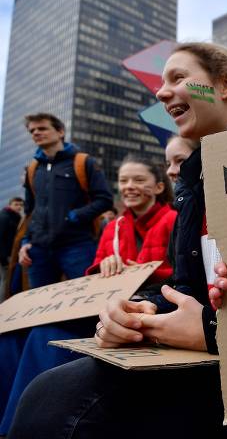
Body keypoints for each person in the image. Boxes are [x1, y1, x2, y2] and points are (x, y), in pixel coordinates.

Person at [7, 43, 227, 439]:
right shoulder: (194, 179)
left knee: (61, 407)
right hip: (207, 358)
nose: (160, 92)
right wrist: (139, 312)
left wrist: (210, 331)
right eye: (161, 81)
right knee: (46, 393)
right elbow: (186, 288)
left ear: (225, 84)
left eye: (178, 78)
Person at [0, 156, 175, 435]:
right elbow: (95, 272)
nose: (129, 186)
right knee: (12, 335)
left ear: (157, 187)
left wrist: (143, 272)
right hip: (104, 308)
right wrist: (103, 267)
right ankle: (7, 423)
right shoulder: (113, 227)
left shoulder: (174, 219)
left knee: (46, 334)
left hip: (146, 311)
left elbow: (185, 273)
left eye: (139, 180)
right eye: (124, 181)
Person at [16, 113, 112, 289]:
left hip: (77, 246)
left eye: (42, 128)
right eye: (32, 130)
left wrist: (74, 216)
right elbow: (30, 211)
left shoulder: (84, 162)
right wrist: (25, 242)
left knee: (87, 300)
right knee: (41, 307)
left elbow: (105, 200)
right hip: (39, 250)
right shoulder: (32, 169)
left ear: (60, 131)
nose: (36, 133)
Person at [0, 197, 23, 301]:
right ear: (10, 205)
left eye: (21, 205)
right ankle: (3, 304)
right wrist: (4, 258)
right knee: (6, 281)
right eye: (16, 204)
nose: (19, 207)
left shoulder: (16, 217)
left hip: (12, 255)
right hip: (5, 257)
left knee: (11, 280)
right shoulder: (4, 217)